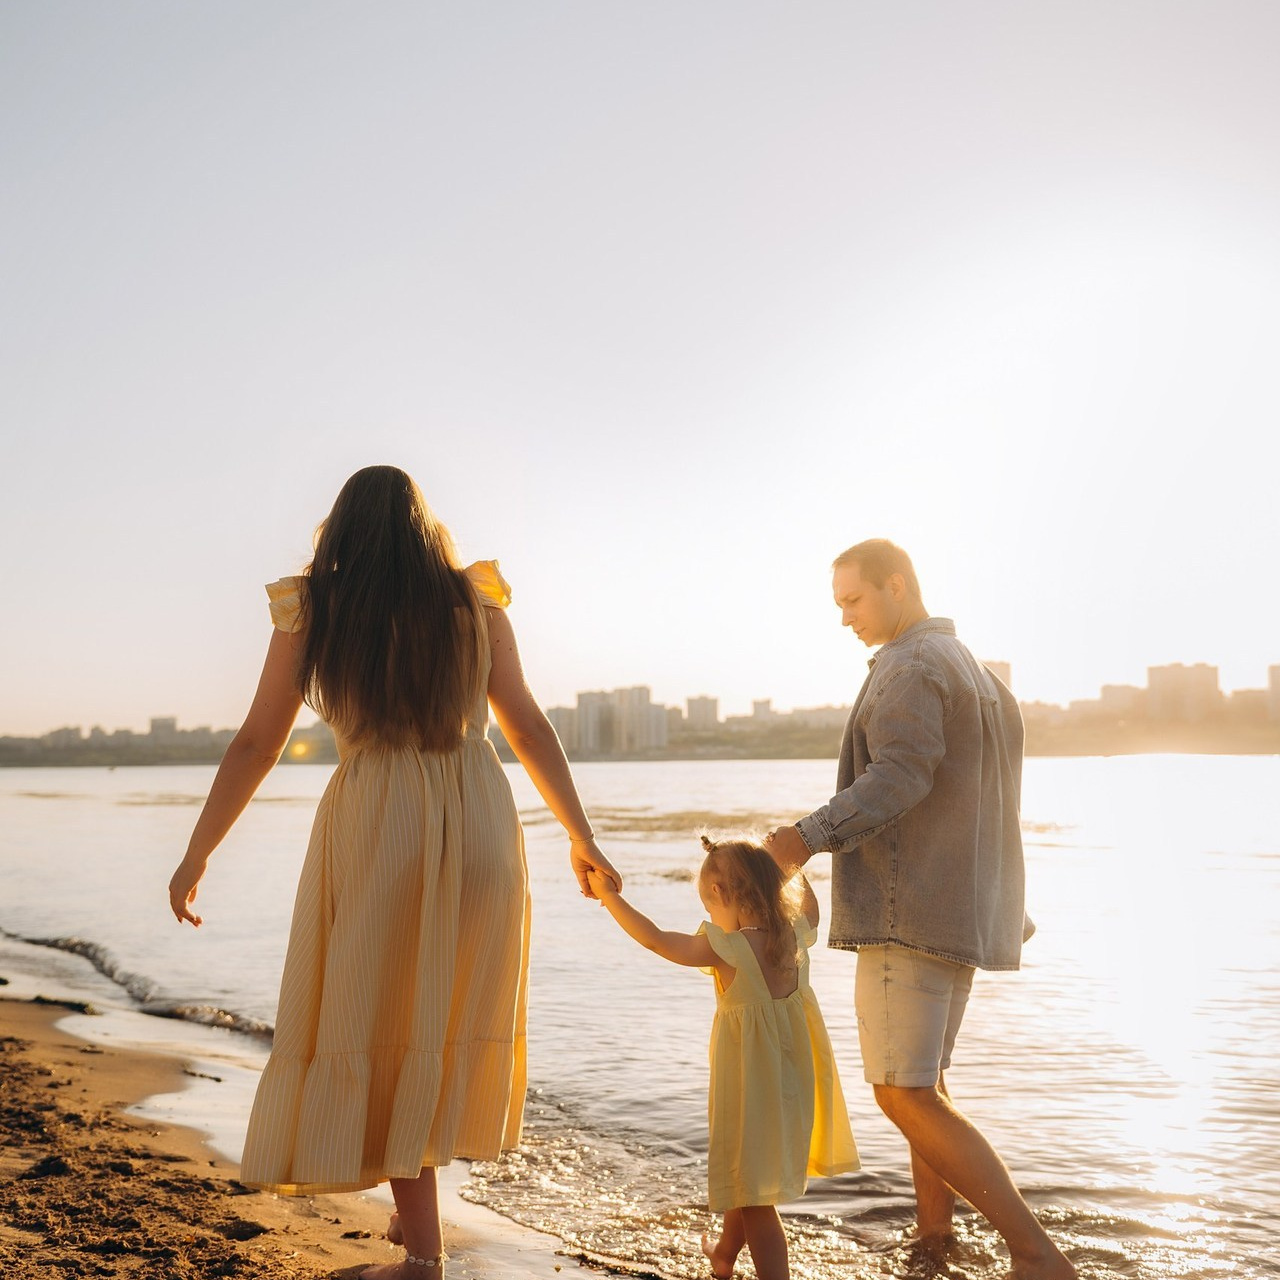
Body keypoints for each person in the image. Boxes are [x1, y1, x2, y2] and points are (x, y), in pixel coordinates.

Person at [167, 465, 620, 1280]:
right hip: (479, 812)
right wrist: (581, 835)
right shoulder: (473, 601)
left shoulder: (313, 605)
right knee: (434, 1019)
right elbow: (526, 725)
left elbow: (257, 742)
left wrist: (198, 852)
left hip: (381, 817)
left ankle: (422, 1255)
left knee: (385, 1017)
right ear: (425, 529)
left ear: (338, 533)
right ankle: (417, 1226)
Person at [765, 539, 1075, 1280]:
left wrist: (800, 840)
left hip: (910, 912)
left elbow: (900, 776)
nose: (845, 618)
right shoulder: (980, 675)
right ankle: (934, 1242)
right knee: (925, 1088)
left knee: (901, 1092)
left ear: (896, 586)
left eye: (854, 600)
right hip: (960, 912)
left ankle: (1035, 1254)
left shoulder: (908, 666)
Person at [586, 834, 859, 1280]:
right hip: (793, 1085)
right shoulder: (794, 934)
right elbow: (812, 908)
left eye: (710, 908)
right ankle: (725, 1258)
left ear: (718, 894)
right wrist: (793, 865)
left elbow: (655, 940)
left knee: (755, 1199)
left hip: (750, 1087)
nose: (711, 918)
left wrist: (609, 896)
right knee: (745, 1177)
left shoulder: (726, 947)